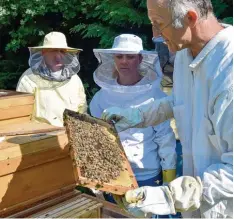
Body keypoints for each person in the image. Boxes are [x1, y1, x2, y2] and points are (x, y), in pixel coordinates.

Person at [101, 0, 233, 218]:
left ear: (190, 18)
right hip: (194, 205)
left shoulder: (228, 72)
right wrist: (138, 115)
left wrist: (170, 197)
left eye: (158, 23)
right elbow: (180, 102)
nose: (155, 35)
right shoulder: (184, 53)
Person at [90, 34, 177, 215]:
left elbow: (165, 139)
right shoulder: (100, 98)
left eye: (130, 57)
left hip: (147, 175)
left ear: (140, 59)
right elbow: (97, 140)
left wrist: (169, 179)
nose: (124, 61)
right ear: (113, 59)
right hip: (113, 176)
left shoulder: (156, 96)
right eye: (119, 56)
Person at [17, 32, 87, 127]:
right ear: (43, 52)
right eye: (53, 51)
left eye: (62, 51)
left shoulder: (74, 79)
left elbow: (82, 110)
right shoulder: (28, 78)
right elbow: (21, 115)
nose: (58, 56)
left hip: (71, 134)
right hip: (41, 137)